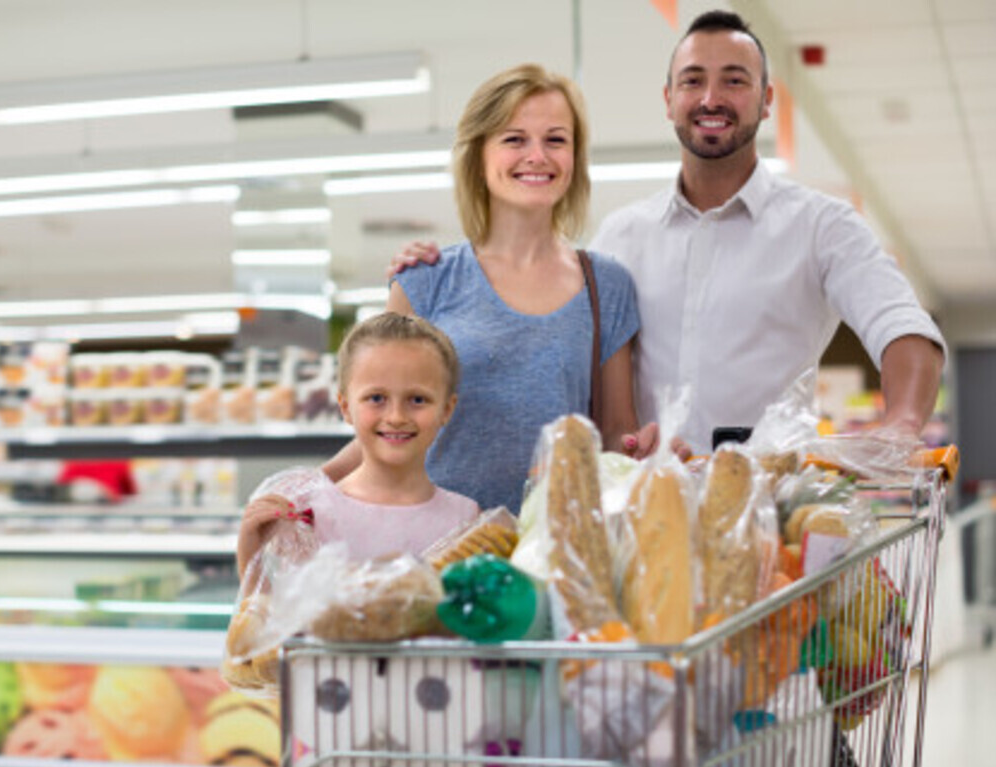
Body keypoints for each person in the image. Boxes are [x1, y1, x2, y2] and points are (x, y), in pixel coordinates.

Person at [391, 11, 945, 454]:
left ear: (766, 99)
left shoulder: (822, 227)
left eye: (735, 81)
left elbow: (900, 327)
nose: (711, 99)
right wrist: (443, 270)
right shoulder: (619, 238)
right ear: (668, 100)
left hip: (768, 513)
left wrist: (900, 423)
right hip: (641, 518)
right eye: (693, 81)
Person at [327, 63, 657, 516]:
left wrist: (648, 458)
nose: (537, 156)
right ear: (479, 156)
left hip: (554, 555)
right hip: (433, 553)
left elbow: (617, 431)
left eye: (556, 140)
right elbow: (384, 429)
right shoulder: (427, 280)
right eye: (514, 139)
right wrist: (303, 490)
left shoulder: (607, 286)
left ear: (575, 158)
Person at [236, 311, 479, 575]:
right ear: (345, 407)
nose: (396, 417)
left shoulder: (466, 521)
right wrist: (249, 552)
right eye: (376, 398)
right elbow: (267, 612)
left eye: (418, 399)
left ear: (447, 409)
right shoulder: (309, 517)